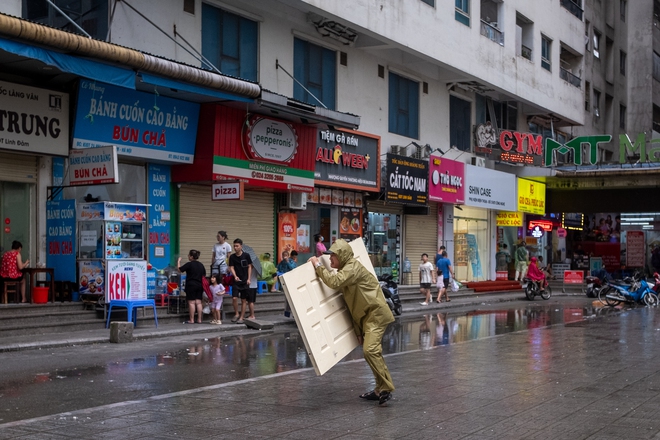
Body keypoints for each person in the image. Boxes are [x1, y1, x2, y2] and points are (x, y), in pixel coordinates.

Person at [309, 239, 395, 405]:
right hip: (368, 317)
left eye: (333, 255)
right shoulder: (346, 270)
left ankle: (385, 388)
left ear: (342, 255)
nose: (330, 259)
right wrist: (357, 330)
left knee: (370, 351)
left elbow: (333, 282)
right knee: (371, 352)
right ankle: (380, 389)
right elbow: (351, 305)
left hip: (376, 314)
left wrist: (317, 265)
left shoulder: (352, 268)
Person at [229, 238, 254, 324]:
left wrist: (249, 278)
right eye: (234, 246)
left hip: (245, 280)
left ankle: (242, 317)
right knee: (234, 298)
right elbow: (231, 267)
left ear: (241, 246)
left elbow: (250, 267)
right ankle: (236, 313)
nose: (235, 248)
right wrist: (235, 276)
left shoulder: (246, 255)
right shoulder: (232, 257)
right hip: (236, 281)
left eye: (237, 246)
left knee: (244, 300)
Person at [177, 249, 206, 324]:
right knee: (199, 302)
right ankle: (199, 319)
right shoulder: (201, 265)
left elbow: (179, 270)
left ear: (191, 257)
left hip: (191, 285)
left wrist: (178, 261)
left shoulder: (189, 264)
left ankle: (192, 320)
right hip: (200, 285)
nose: (188, 256)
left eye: (188, 255)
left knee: (191, 302)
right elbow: (204, 275)